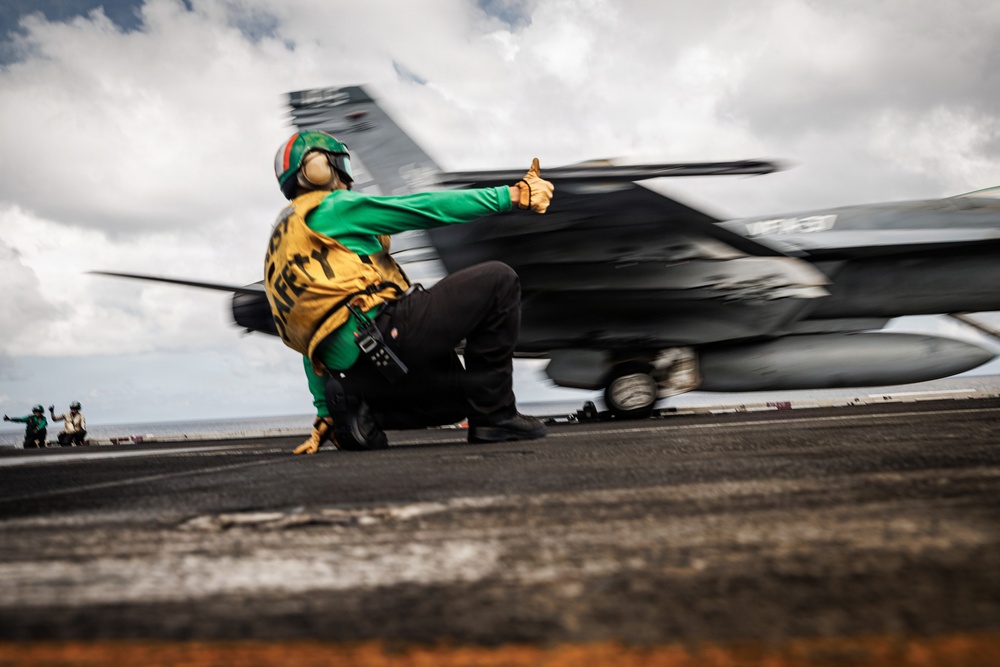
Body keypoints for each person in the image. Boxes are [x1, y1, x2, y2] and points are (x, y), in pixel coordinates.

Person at [266, 131, 555, 454]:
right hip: (384, 336)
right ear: (319, 168)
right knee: (498, 280)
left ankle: (361, 414)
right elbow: (421, 208)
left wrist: (325, 411)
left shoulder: (285, 239)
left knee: (458, 401)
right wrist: (513, 195)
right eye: (339, 163)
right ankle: (496, 419)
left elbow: (311, 334)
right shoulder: (332, 207)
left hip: (358, 369)